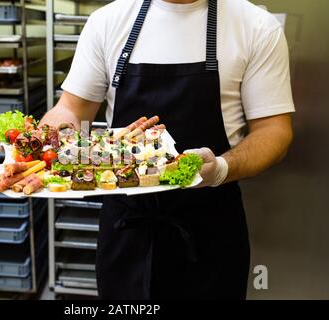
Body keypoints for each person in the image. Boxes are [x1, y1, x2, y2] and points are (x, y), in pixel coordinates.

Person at [40, 0, 295, 299]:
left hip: (210, 227)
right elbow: (71, 108)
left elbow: (274, 130)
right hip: (126, 227)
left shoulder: (256, 26)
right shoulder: (107, 21)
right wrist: (44, 137)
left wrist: (221, 169)